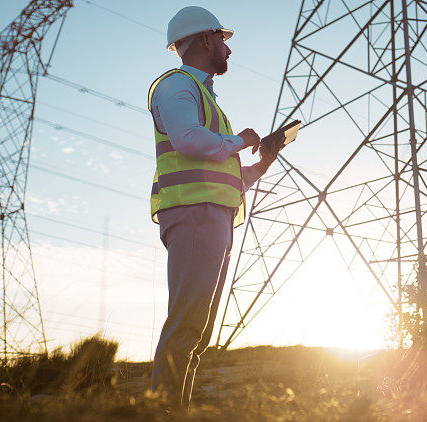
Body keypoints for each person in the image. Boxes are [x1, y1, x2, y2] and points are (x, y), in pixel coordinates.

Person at [147, 6, 274, 408]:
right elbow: (188, 140)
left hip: (210, 215)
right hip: (195, 214)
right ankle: (161, 412)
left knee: (197, 331)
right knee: (187, 324)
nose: (227, 49)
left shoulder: (200, 94)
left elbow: (215, 169)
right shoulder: (178, 87)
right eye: (223, 40)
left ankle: (173, 410)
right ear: (205, 40)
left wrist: (260, 164)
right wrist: (239, 140)